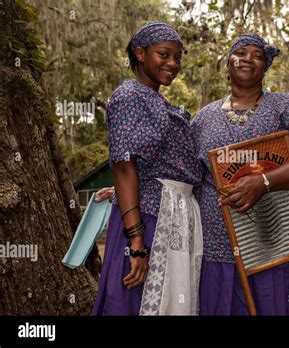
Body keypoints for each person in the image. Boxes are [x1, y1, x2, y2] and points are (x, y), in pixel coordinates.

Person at [192, 34, 289, 315]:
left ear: (265, 67)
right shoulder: (202, 119)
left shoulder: (284, 106)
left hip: (276, 244)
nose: (247, 58)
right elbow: (184, 177)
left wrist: (264, 183)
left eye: (257, 55)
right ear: (227, 65)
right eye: (240, 52)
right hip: (220, 251)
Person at [93, 21, 203, 316]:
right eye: (164, 54)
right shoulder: (130, 96)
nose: (173, 64)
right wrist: (138, 244)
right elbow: (124, 167)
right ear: (140, 54)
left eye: (177, 58)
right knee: (136, 300)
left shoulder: (156, 101)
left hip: (173, 213)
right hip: (149, 219)